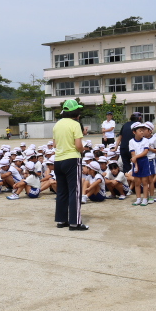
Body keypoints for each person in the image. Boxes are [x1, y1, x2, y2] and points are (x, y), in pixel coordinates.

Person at [52, 99, 87, 231]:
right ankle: (75, 223)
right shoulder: (75, 124)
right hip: (72, 159)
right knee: (75, 191)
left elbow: (54, 144)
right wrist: (83, 150)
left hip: (58, 160)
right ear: (76, 112)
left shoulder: (57, 124)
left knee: (62, 191)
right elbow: (78, 145)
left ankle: (61, 220)